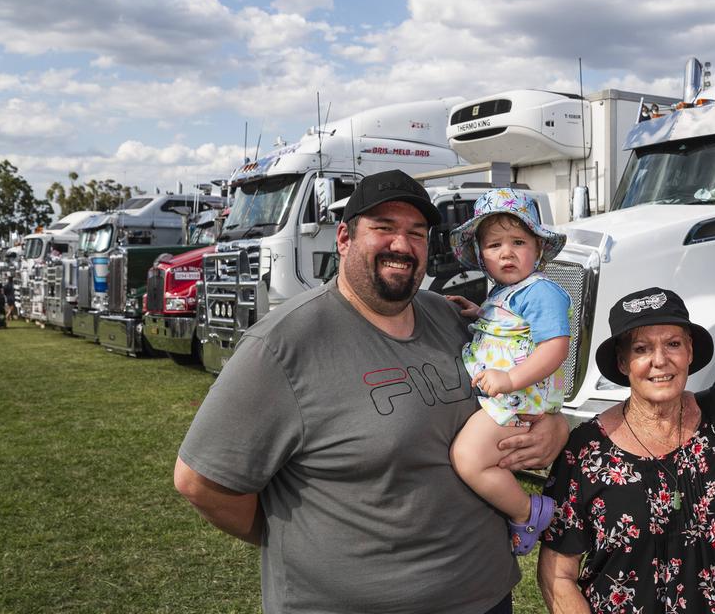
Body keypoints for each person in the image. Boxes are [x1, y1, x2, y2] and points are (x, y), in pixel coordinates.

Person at [173, 169, 568, 614]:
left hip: (486, 595)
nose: (402, 245)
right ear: (343, 238)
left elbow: (522, 380)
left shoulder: (448, 316)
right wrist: (301, 538)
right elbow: (200, 483)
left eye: (416, 233)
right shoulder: (284, 344)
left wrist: (555, 428)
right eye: (383, 228)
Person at [537, 287, 715, 613]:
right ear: (622, 361)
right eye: (642, 349)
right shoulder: (587, 449)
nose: (660, 361)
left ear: (690, 351)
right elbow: (556, 572)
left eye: (673, 344)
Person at [447, 187, 570, 555]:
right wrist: (478, 311)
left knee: (468, 458)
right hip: (507, 393)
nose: (507, 252)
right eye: (494, 245)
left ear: (537, 247)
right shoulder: (503, 292)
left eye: (518, 241)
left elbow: (555, 345)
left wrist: (510, 380)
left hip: (518, 396)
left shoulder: (541, 291)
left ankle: (527, 511)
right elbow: (507, 327)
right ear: (482, 256)